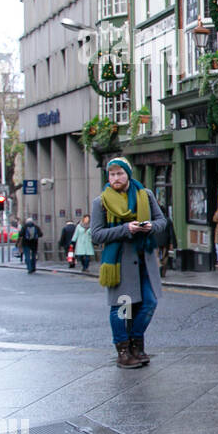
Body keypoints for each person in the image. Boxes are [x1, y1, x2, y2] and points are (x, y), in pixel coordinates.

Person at [90, 157, 167, 369]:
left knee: (149, 303)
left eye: (120, 173)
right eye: (112, 174)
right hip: (119, 263)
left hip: (145, 259)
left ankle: (136, 343)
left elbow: (162, 222)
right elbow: (96, 235)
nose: (116, 178)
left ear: (128, 174)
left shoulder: (146, 195)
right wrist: (126, 229)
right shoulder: (101, 202)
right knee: (123, 308)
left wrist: (149, 226)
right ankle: (123, 351)